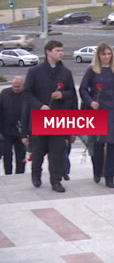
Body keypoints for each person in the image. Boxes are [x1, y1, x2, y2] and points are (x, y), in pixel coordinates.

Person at [21, 40, 77, 193]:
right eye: (58, 50)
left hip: (58, 118)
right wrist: (40, 106)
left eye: (61, 50)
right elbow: (27, 93)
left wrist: (62, 94)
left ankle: (56, 180)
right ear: (48, 52)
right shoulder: (35, 72)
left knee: (57, 152)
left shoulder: (65, 72)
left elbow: (72, 93)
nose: (61, 53)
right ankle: (36, 175)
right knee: (38, 151)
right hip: (40, 117)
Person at [79, 42, 114, 188]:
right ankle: (97, 171)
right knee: (98, 146)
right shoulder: (92, 70)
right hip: (98, 112)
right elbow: (83, 89)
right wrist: (90, 102)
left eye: (109, 54)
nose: (106, 57)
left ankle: (109, 176)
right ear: (98, 56)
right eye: (103, 54)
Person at [0, 77, 27, 174]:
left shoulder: (27, 95)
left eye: (18, 87)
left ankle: (20, 173)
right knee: (7, 154)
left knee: (21, 155)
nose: (16, 88)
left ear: (22, 85)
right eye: (14, 86)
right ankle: (8, 173)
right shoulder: (4, 93)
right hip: (6, 130)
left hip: (21, 131)